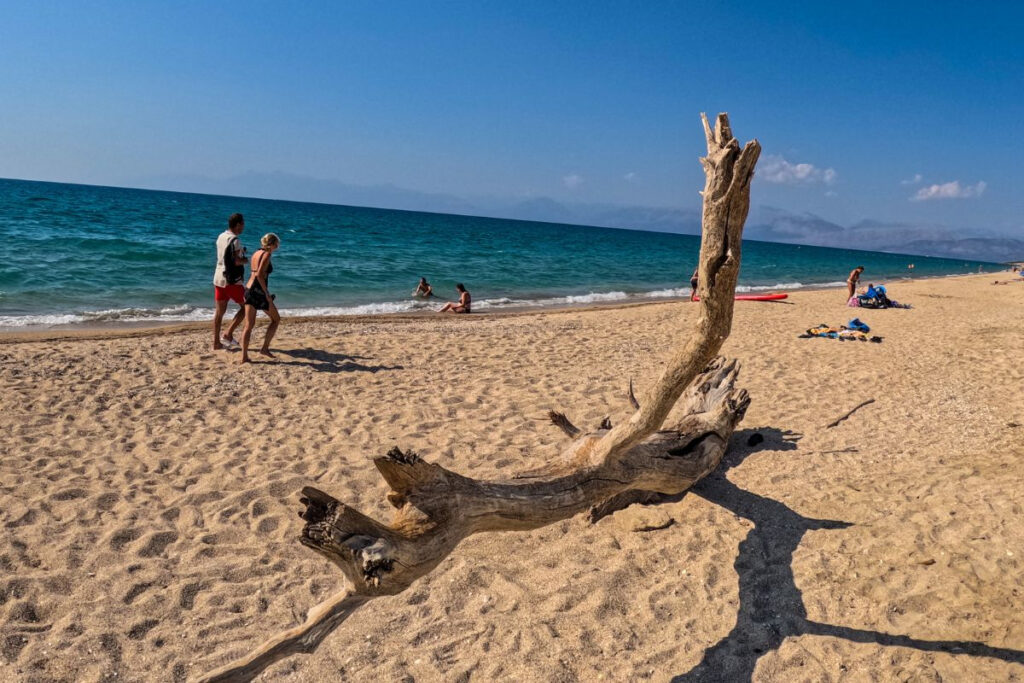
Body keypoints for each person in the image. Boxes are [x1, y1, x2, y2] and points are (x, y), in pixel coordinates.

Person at [240, 233, 281, 363]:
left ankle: (244, 356)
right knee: (276, 319)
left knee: (248, 325)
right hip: (258, 291)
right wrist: (267, 294)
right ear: (273, 244)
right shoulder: (267, 254)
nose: (278, 246)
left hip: (248, 289)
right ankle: (264, 348)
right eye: (277, 244)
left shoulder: (257, 253)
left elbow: (254, 272)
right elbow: (259, 275)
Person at [212, 213, 247, 350]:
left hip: (218, 277)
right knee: (246, 306)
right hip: (231, 280)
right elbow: (236, 261)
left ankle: (216, 342)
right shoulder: (235, 240)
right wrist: (245, 260)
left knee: (219, 312)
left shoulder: (221, 236)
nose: (243, 227)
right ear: (238, 224)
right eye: (243, 224)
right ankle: (228, 333)